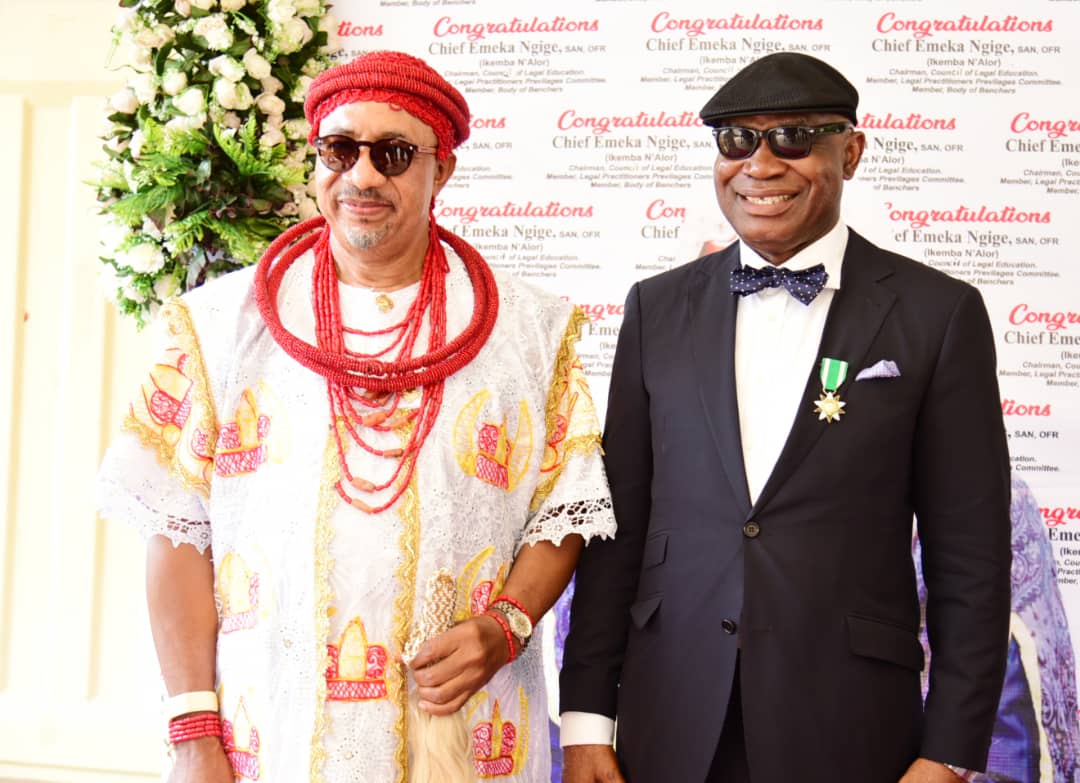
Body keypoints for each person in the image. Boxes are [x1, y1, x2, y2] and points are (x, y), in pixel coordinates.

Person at [96, 50, 615, 782]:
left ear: (443, 169)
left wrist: (505, 627)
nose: (363, 176)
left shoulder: (530, 330)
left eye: (393, 154)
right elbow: (178, 532)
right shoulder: (218, 326)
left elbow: (560, 515)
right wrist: (192, 731)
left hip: (469, 738)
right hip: (264, 741)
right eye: (340, 150)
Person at [559, 51, 1011, 783]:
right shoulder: (656, 308)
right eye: (737, 140)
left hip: (851, 728)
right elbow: (619, 531)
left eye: (794, 138)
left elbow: (972, 558)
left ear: (850, 152)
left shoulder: (939, 314)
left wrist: (950, 753)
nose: (760, 164)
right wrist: (584, 721)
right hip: (671, 719)